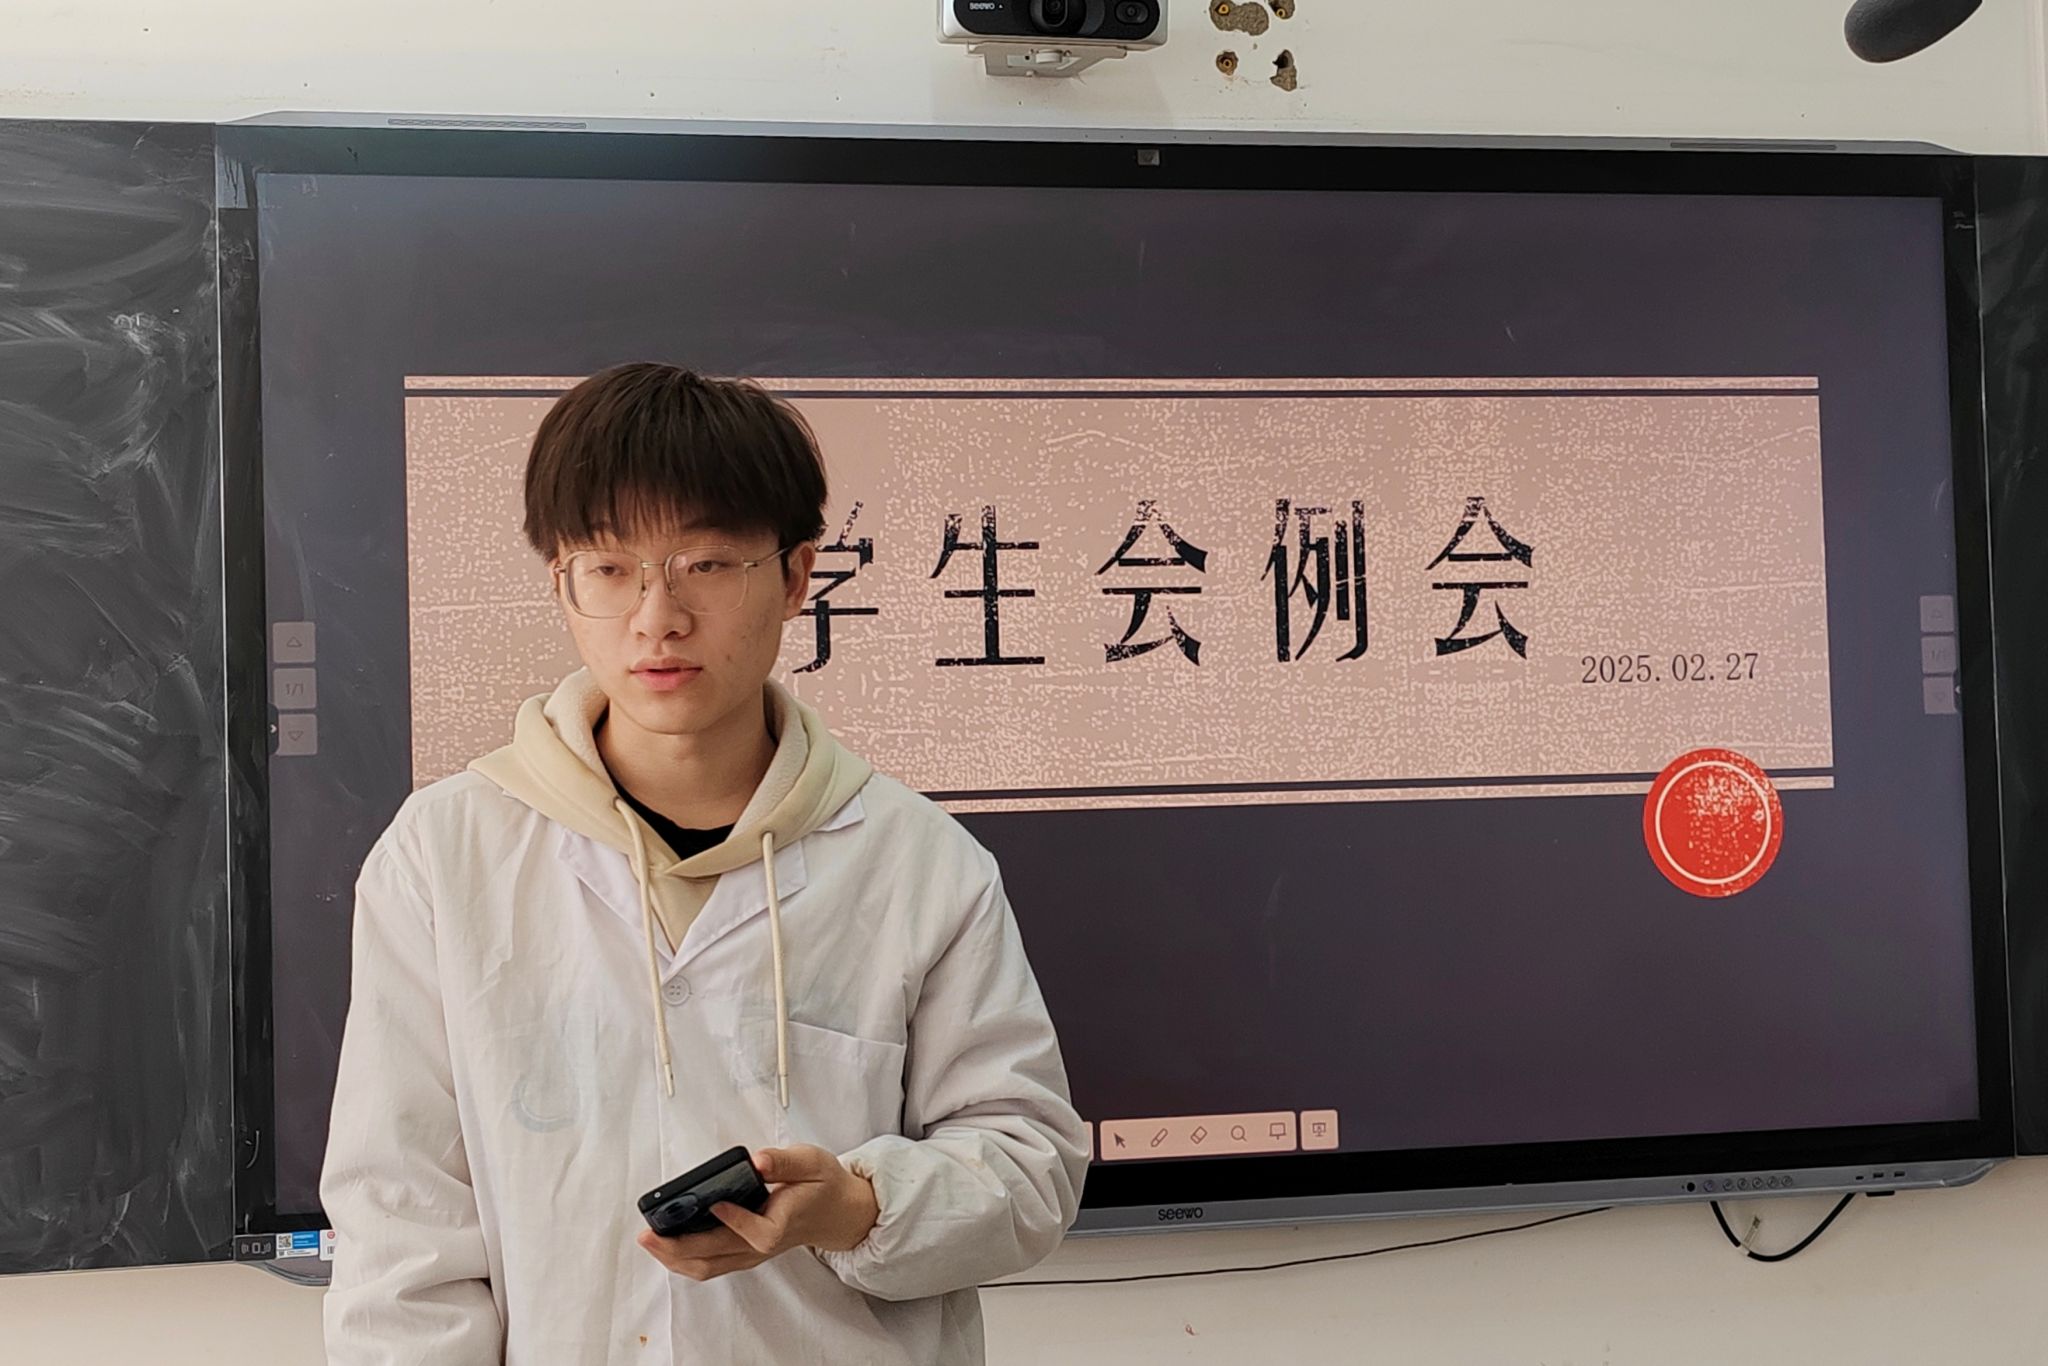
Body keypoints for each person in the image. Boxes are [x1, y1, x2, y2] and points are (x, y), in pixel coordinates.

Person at [321, 363, 1088, 1364]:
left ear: (797, 576)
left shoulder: (918, 863)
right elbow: (400, 1224)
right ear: (560, 583)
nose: (657, 617)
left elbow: (1029, 1168)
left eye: (708, 564)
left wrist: (858, 1205)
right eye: (608, 567)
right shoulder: (445, 854)